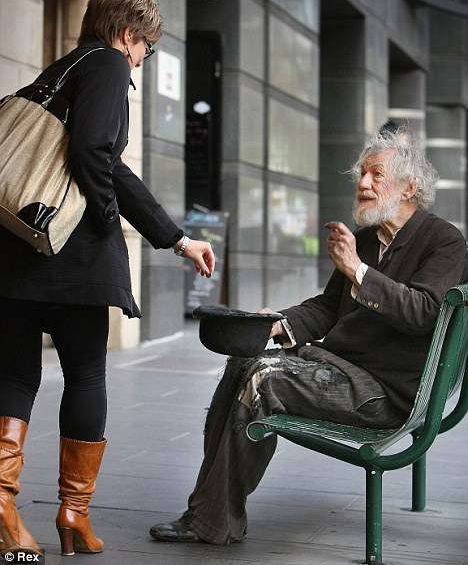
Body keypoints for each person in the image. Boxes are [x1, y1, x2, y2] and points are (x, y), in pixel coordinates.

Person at [149, 128, 466, 545]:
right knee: (244, 360)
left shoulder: (443, 240)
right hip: (342, 369)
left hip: (385, 392)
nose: (363, 183)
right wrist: (276, 324)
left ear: (410, 187)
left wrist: (357, 270)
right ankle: (207, 512)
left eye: (376, 174)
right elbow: (328, 306)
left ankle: (212, 520)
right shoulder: (369, 239)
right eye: (361, 174)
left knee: (263, 379)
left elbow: (423, 312)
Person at [0, 0, 215, 559]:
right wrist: (107, 222)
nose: (143, 58)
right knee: (87, 376)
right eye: (145, 47)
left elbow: (108, 164)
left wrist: (175, 238)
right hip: (69, 262)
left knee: (16, 377)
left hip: (14, 254)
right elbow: (96, 155)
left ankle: (3, 505)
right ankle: (73, 514)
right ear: (128, 34)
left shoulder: (60, 70)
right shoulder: (109, 66)